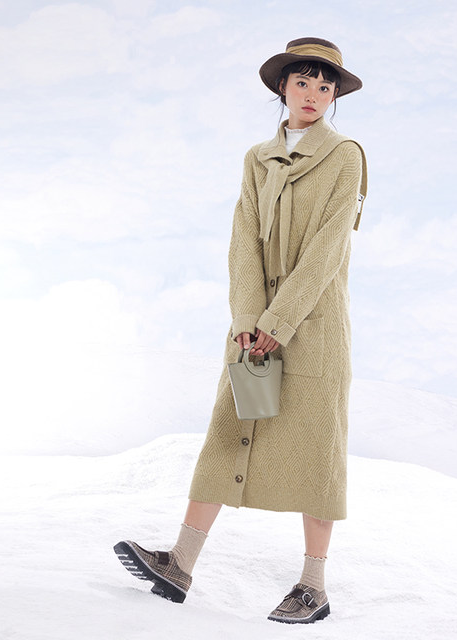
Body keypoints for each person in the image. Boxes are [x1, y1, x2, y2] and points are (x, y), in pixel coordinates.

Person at [114, 37, 367, 625]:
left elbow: (328, 250)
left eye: (325, 86)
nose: (314, 94)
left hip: (314, 329)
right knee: (227, 434)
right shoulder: (257, 158)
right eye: (303, 82)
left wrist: (280, 322)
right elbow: (243, 243)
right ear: (282, 87)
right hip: (255, 334)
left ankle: (313, 587)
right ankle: (179, 563)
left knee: (317, 454)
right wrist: (250, 322)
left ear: (334, 95)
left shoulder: (346, 156)